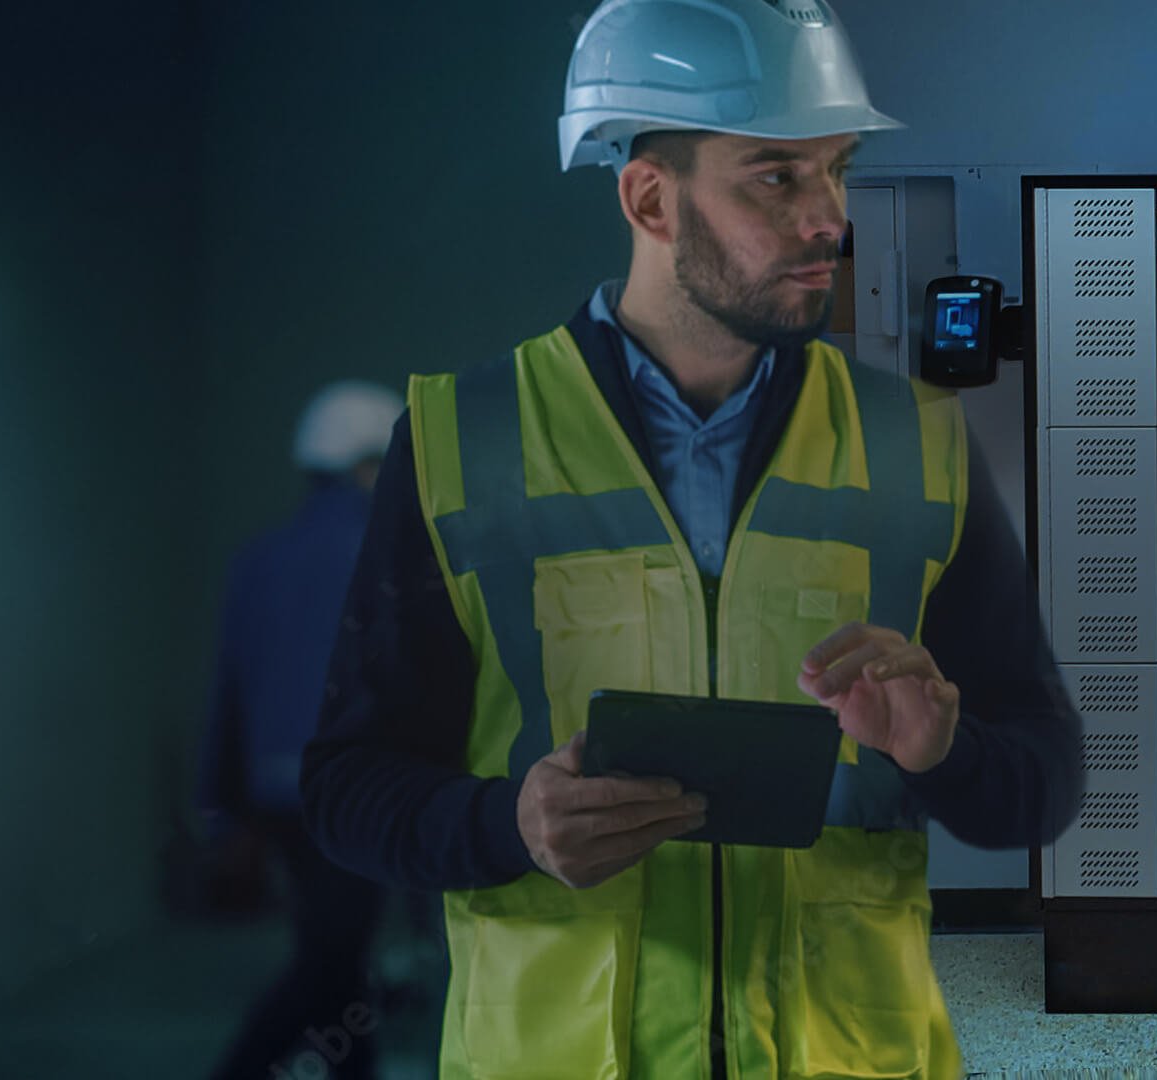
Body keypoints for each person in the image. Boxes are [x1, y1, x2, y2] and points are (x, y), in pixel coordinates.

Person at [299, 1, 1082, 1076]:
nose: (828, 219)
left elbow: (1047, 778)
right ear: (650, 198)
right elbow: (347, 789)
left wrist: (945, 747)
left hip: (846, 1057)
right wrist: (503, 826)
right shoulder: (460, 443)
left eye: (836, 170)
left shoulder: (918, 447)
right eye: (777, 177)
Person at [198, 380, 402, 1080]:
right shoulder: (383, 553)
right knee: (331, 962)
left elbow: (227, 695)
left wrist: (220, 811)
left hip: (277, 797)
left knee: (334, 958)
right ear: (369, 464)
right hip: (354, 793)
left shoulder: (257, 558)